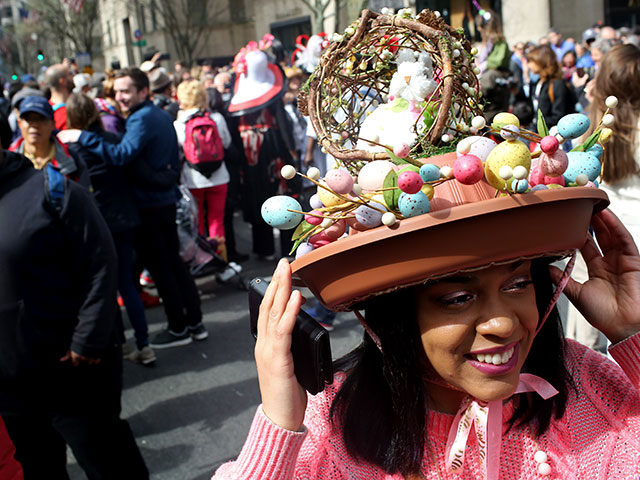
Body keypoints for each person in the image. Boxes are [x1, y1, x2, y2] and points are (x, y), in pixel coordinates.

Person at [212, 156, 640, 479]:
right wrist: (280, 423)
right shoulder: (331, 427)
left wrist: (633, 334)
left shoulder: (582, 380)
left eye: (517, 284)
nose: (504, 325)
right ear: (394, 316)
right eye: (457, 298)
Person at [0, 147, 149, 479]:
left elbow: (101, 264)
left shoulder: (53, 191)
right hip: (9, 391)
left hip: (73, 372)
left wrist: (87, 340)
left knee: (109, 462)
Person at [57, 68, 205, 349]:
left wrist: (81, 137)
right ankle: (193, 323)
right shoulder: (154, 114)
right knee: (172, 265)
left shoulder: (142, 118)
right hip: (159, 200)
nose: (120, 97)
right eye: (118, 92)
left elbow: (120, 154)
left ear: (142, 92)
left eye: (126, 91)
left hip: (151, 205)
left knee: (163, 270)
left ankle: (179, 327)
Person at [65, 92, 155, 365]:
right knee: (125, 283)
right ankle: (144, 344)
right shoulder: (112, 140)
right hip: (125, 216)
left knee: (107, 285)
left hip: (98, 222)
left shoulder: (73, 147)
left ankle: (122, 344)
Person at [174, 80, 231, 244]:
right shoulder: (216, 118)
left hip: (193, 179)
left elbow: (180, 152)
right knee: (216, 220)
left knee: (197, 222)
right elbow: (226, 143)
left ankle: (203, 261)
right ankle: (222, 260)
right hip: (219, 176)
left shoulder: (179, 124)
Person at [9, 96, 90, 187]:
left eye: (40, 119)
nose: (35, 125)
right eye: (29, 119)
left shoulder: (73, 160)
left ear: (52, 124)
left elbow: (84, 196)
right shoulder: (7, 161)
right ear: (19, 123)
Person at [525, 44, 575, 128]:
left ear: (541, 62)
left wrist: (539, 124)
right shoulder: (537, 82)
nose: (529, 65)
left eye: (531, 61)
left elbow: (559, 115)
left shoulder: (558, 84)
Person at [45, 63, 75, 130]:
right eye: (70, 74)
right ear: (62, 81)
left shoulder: (46, 109)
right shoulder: (65, 114)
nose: (73, 77)